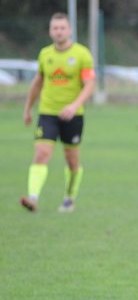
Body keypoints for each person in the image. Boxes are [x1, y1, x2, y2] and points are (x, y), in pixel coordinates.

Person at [21, 12, 96, 213]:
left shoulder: (82, 54)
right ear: (50, 31)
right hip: (47, 113)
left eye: (62, 28)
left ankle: (69, 198)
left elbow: (90, 85)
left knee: (72, 161)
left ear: (69, 30)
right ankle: (33, 197)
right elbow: (37, 83)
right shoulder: (45, 54)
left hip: (73, 115)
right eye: (55, 28)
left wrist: (74, 105)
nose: (59, 31)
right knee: (41, 153)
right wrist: (28, 108)